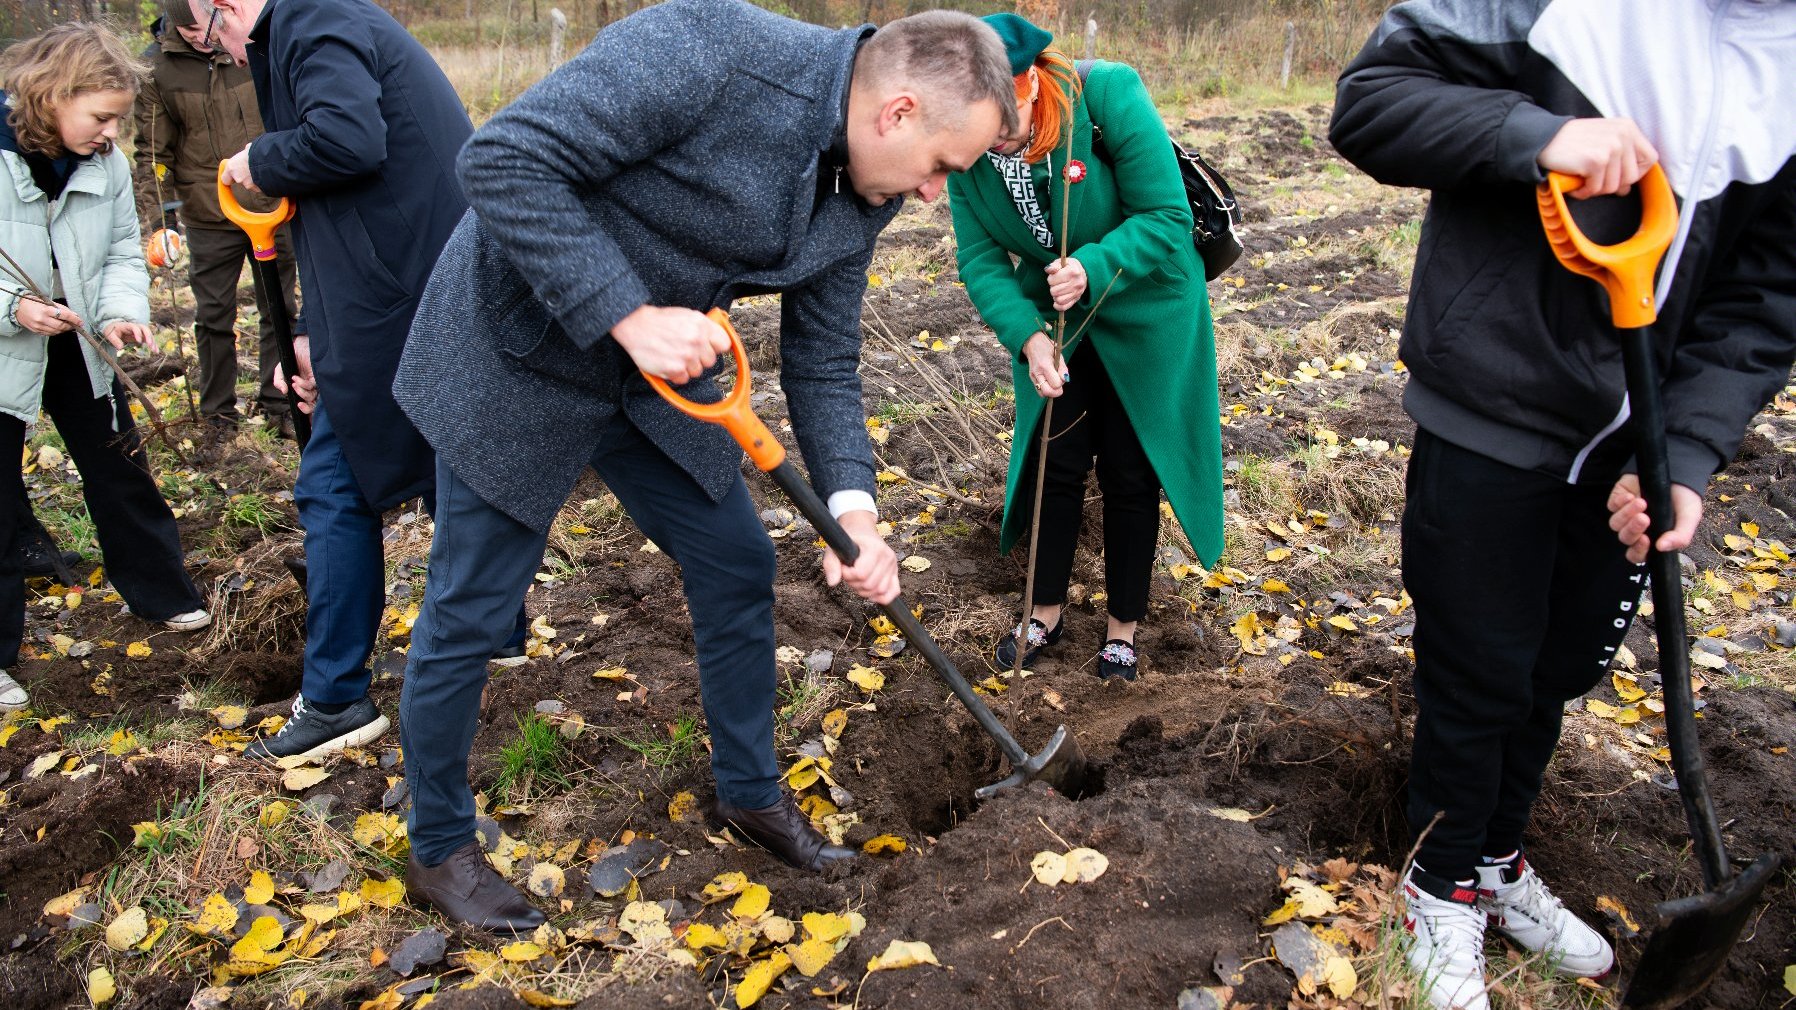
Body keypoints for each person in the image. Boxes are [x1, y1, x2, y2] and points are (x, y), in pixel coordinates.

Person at [390, 0, 1013, 931]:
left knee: (737, 561)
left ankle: (748, 793)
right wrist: (626, 316)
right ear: (900, 113)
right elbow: (500, 159)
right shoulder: (706, 51)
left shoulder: (864, 189)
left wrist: (857, 510)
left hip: (658, 381)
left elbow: (823, 355)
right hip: (516, 346)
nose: (935, 195)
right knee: (473, 608)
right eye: (942, 169)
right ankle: (438, 847)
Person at [1329, 3, 1796, 1007]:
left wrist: (1683, 452)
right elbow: (1369, 103)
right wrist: (1537, 136)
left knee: (1556, 665)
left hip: (1633, 441)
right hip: (1495, 399)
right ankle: (1436, 878)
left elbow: (1765, 291)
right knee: (1476, 665)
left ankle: (1495, 854)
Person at [193, 0, 526, 762]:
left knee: (333, 486)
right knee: (450, 452)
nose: (229, 55)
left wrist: (259, 158)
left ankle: (338, 698)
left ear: (226, 6)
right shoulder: (320, 24)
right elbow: (338, 215)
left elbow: (346, 143)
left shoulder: (312, 19)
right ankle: (498, 630)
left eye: (216, 36)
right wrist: (312, 334)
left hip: (406, 293)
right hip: (427, 280)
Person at [947, 14, 1223, 683]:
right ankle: (1044, 613)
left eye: (1008, 123)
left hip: (1144, 300)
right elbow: (981, 261)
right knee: (1056, 461)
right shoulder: (963, 148)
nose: (1002, 144)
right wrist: (1029, 337)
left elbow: (1167, 216)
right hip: (1057, 316)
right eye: (986, 133)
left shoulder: (1106, 97)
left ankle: (1123, 631)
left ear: (1031, 85)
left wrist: (1093, 266)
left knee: (1132, 469)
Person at [0, 23, 213, 715]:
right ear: (51, 96)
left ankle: (163, 596)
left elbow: (124, 248)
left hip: (80, 336)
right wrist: (14, 308)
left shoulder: (105, 165)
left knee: (120, 464)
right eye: (100, 117)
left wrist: (120, 311)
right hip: (8, 337)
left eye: (119, 118)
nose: (111, 132)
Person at [133, 0, 303, 452]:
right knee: (212, 316)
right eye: (190, 36)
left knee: (280, 309)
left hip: (272, 204)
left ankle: (279, 403)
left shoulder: (251, 45)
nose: (203, 41)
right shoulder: (157, 70)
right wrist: (159, 219)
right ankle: (218, 414)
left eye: (205, 30)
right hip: (208, 214)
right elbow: (152, 152)